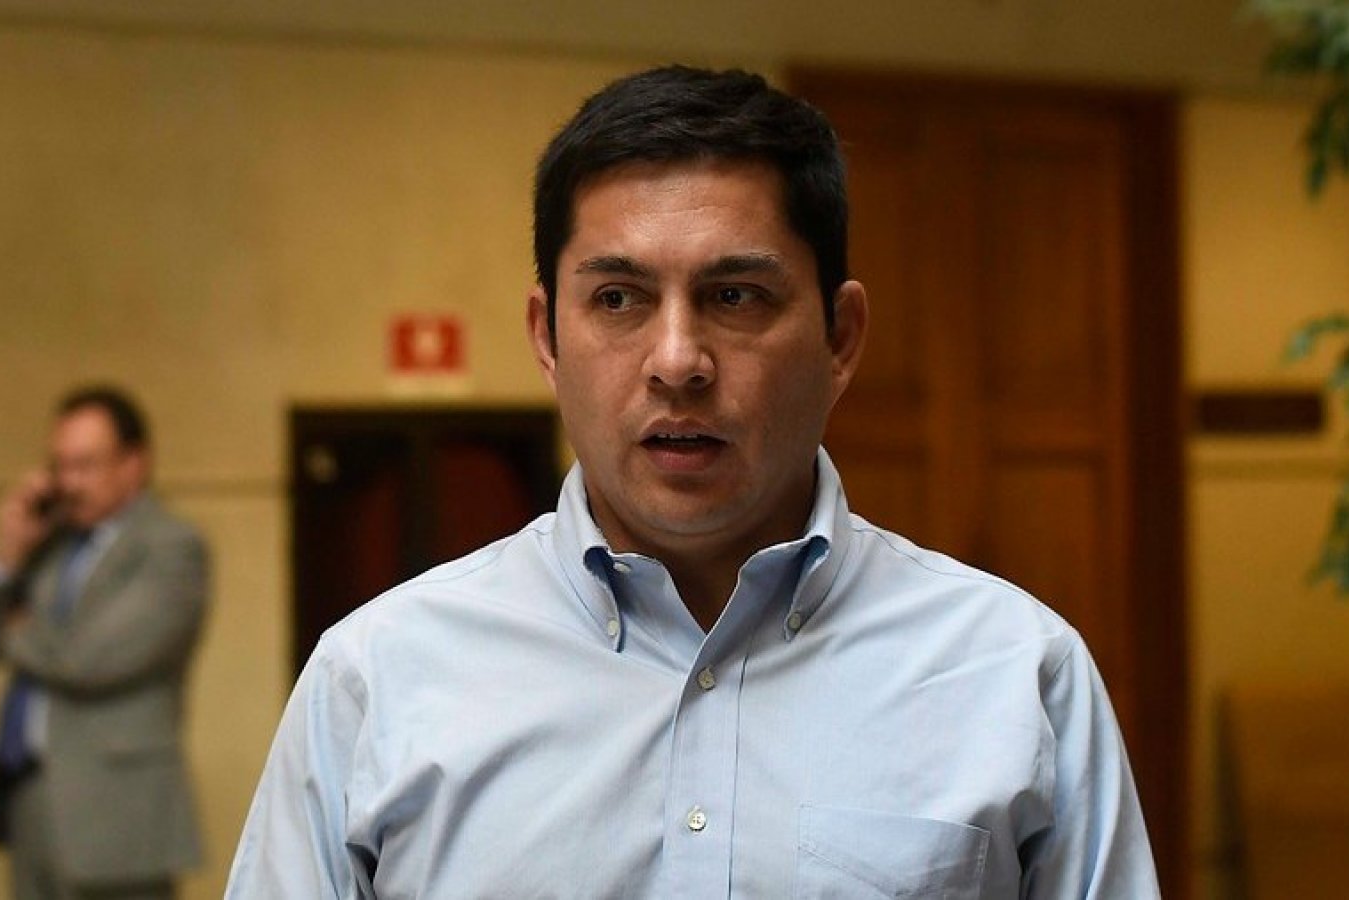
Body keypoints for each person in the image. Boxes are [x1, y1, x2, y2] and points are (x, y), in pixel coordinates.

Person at [226, 65, 1158, 898]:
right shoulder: (377, 681)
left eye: (735, 296)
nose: (677, 361)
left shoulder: (1015, 677)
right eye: (619, 299)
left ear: (840, 338)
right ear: (548, 338)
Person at [0, 386, 209, 900]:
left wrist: (19, 628)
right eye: (60, 466)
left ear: (134, 464)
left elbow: (90, 659)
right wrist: (10, 551)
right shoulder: (50, 543)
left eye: (86, 465)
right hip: (31, 795)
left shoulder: (171, 547)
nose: (69, 483)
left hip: (117, 809)